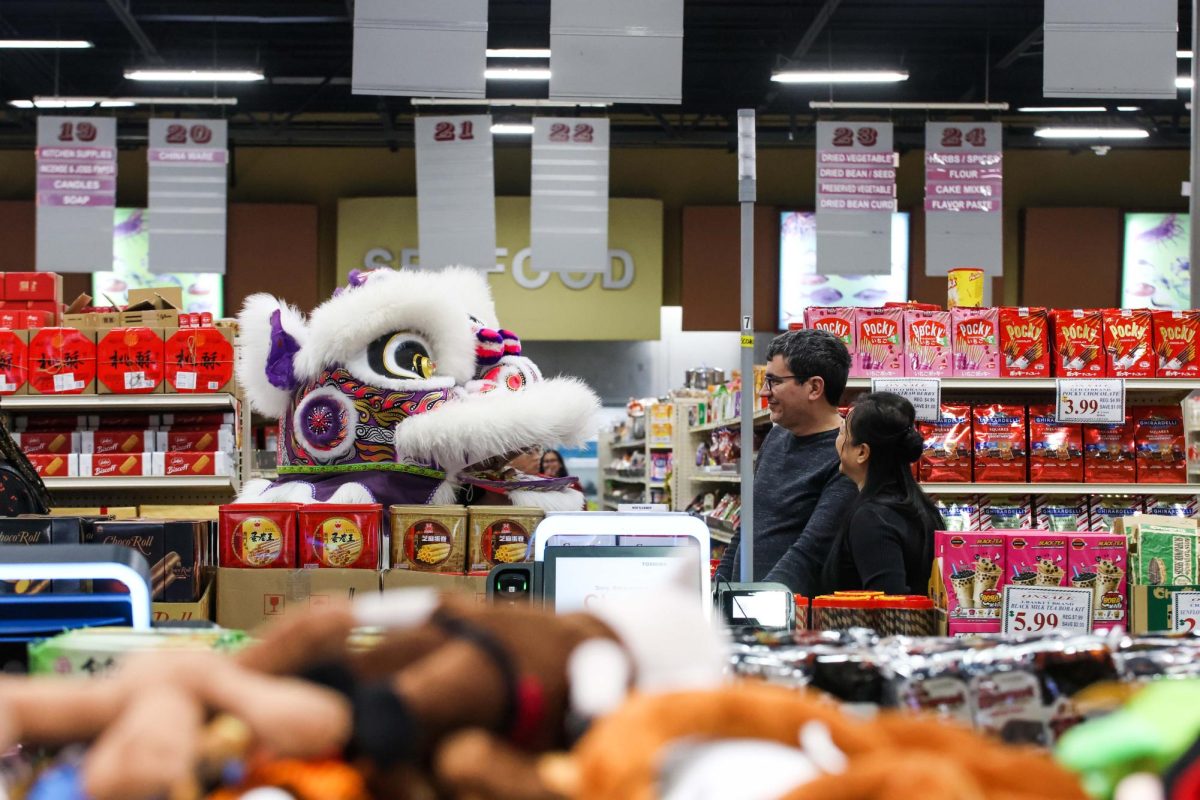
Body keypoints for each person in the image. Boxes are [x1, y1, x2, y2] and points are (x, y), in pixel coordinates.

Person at [714, 329, 857, 596]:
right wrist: (718, 592)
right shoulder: (776, 437)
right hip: (745, 612)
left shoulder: (846, 455)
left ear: (814, 387)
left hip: (791, 622)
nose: (763, 392)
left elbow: (811, 552)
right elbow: (747, 528)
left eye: (773, 381)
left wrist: (755, 608)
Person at [819, 392, 944, 595]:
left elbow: (888, 607)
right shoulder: (921, 507)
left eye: (842, 432)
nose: (837, 441)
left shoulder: (872, 517)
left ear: (862, 452)